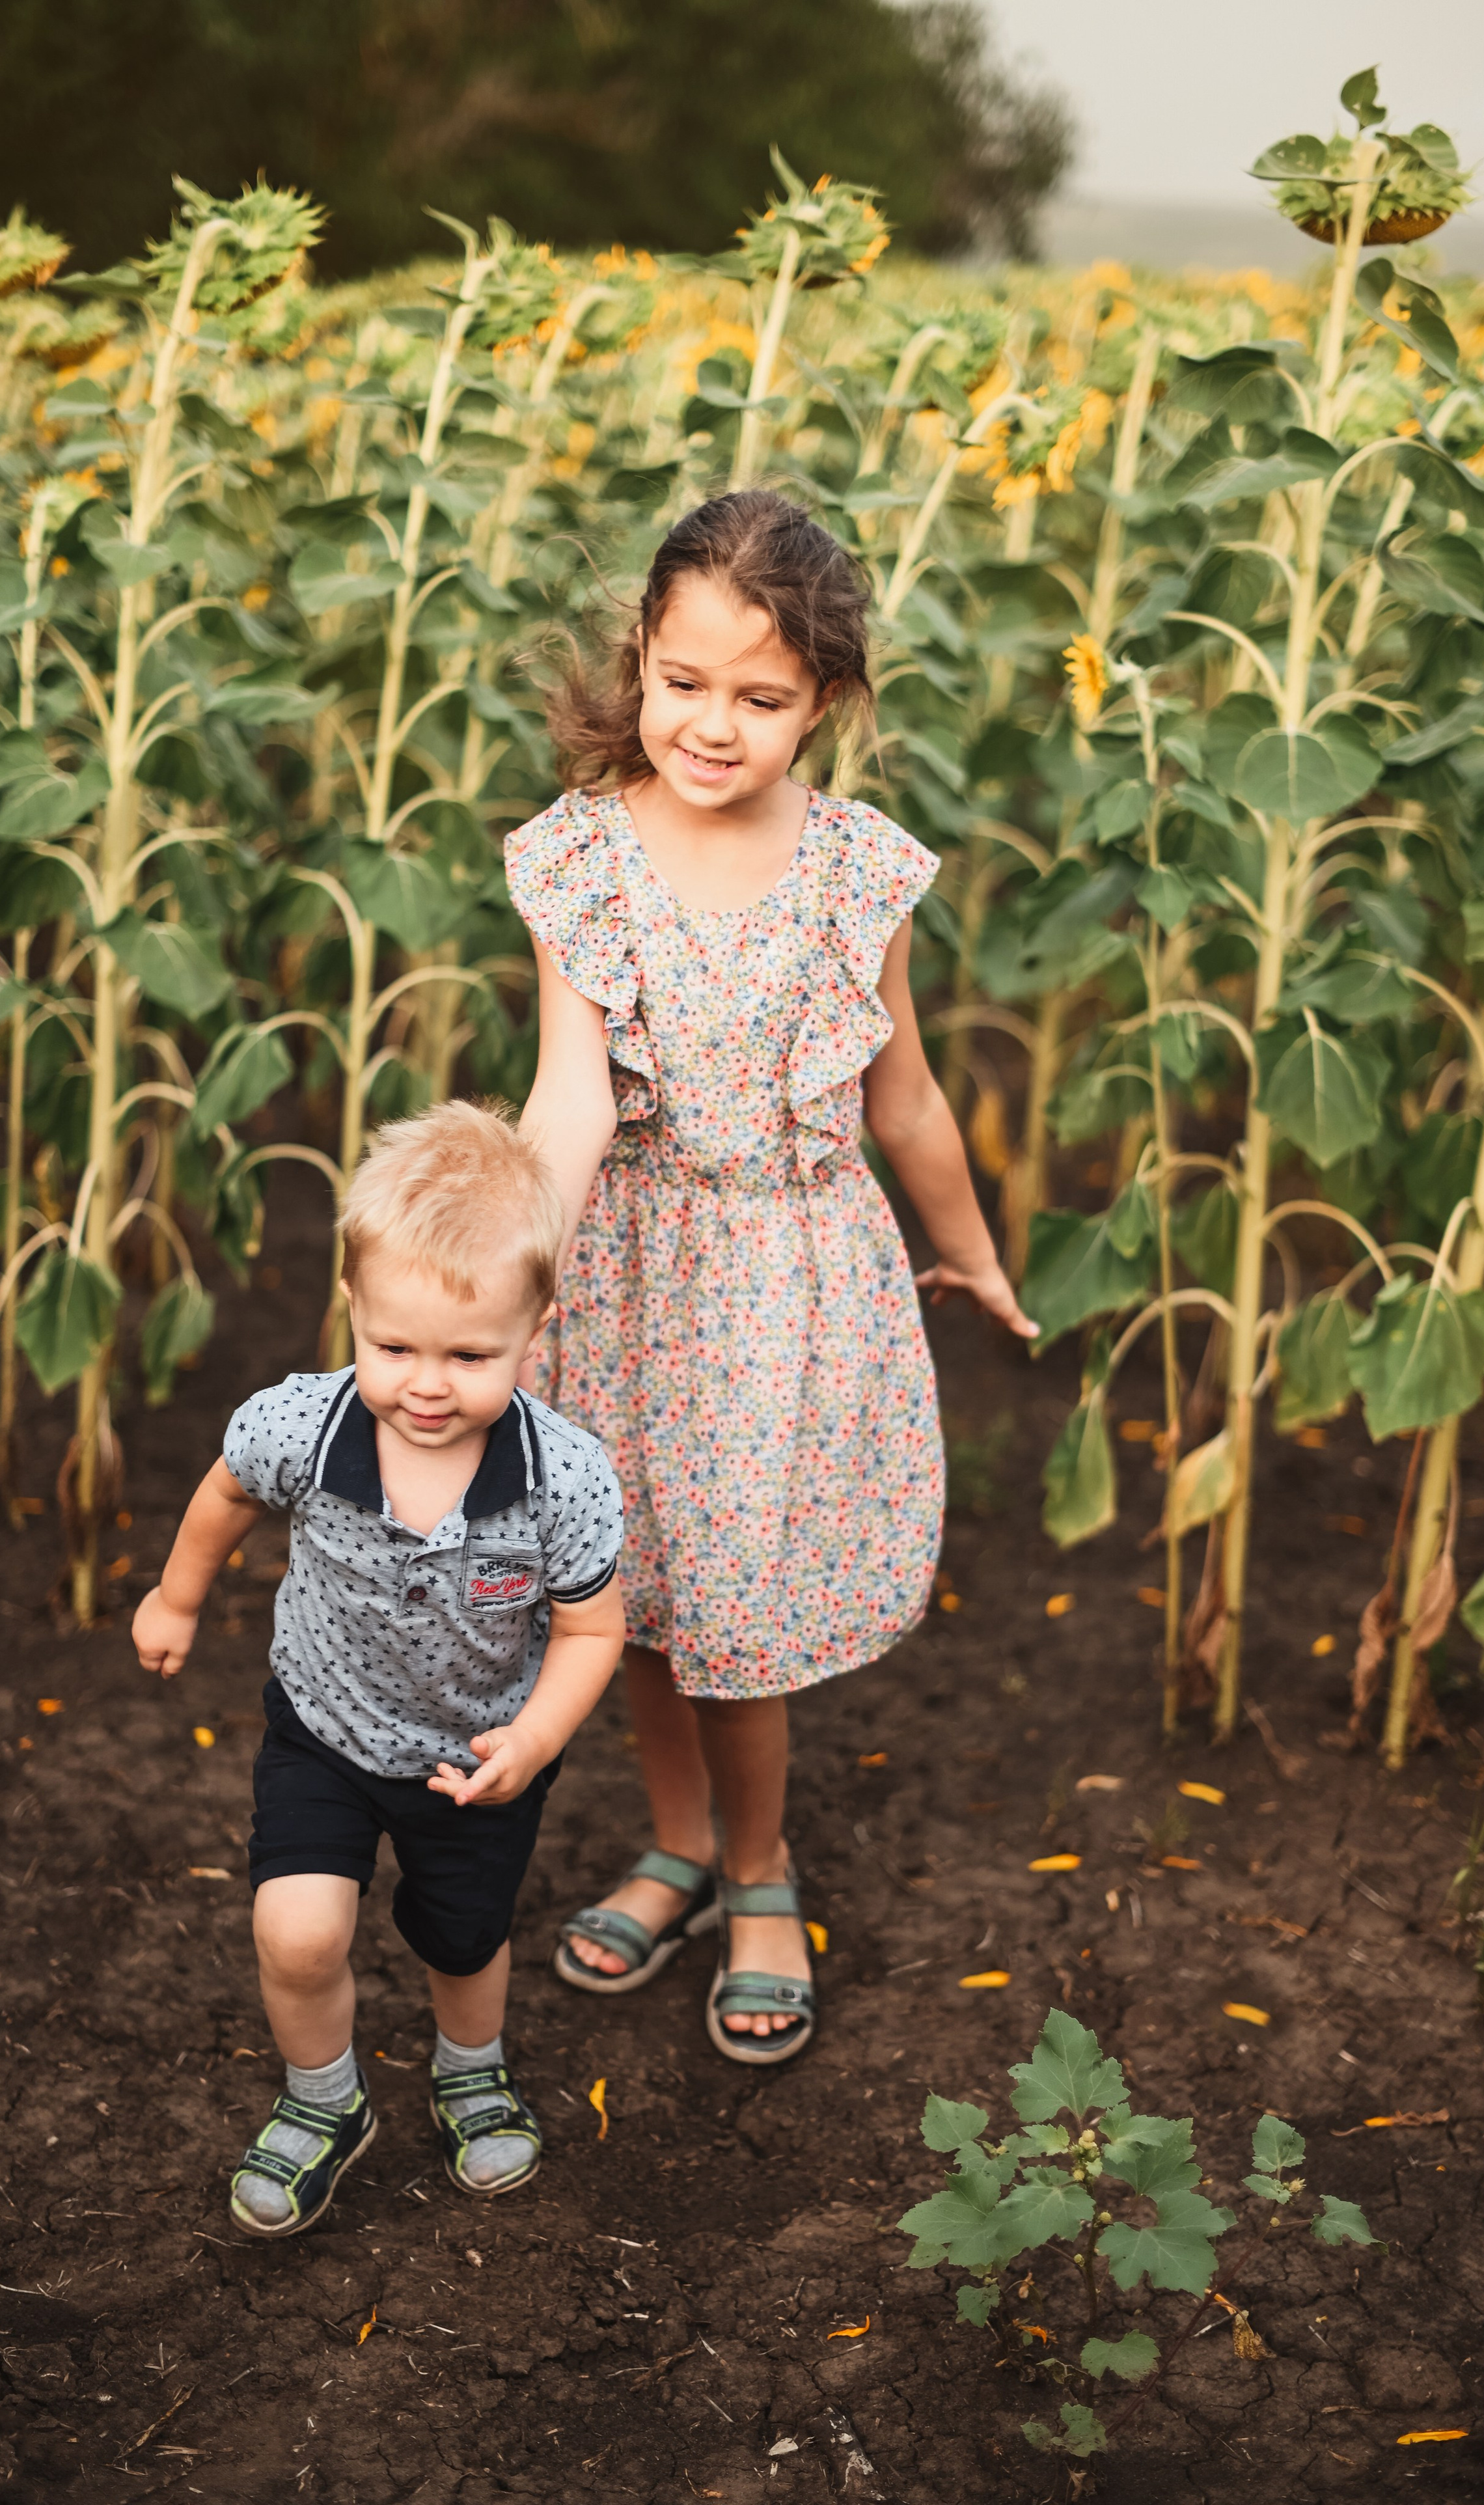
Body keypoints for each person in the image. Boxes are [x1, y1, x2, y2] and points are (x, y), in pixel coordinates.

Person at [507, 487, 1036, 2068]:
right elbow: (565, 1101)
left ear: (825, 702)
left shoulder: (852, 869)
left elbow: (905, 1096)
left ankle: (756, 1870)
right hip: (623, 1272)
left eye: (759, 697)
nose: (710, 726)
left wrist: (969, 1250)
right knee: (634, 1594)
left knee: (734, 1613)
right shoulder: (581, 857)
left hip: (785, 1287)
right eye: (681, 682)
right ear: (639, 660)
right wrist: (508, 1284)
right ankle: (675, 1845)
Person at [131, 1101, 625, 2232]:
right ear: (353, 1303)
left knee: (464, 1936)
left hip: (476, 1758)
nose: (427, 1385)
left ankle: (470, 2067)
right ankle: (324, 2099)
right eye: (396, 1348)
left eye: (471, 1355)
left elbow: (592, 1631)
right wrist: (177, 1596)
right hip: (325, 1730)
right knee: (296, 1930)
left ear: (536, 1327)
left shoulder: (564, 1478)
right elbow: (226, 1492)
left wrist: (534, 1740)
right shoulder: (302, 1428)